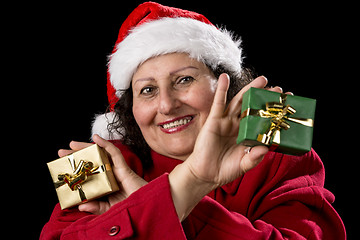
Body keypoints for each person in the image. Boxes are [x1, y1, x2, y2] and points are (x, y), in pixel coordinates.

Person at [41, 2, 346, 239]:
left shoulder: (278, 152)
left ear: (226, 83)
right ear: (129, 111)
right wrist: (187, 186)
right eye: (147, 90)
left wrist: (150, 205)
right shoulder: (97, 168)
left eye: (184, 79)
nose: (167, 104)